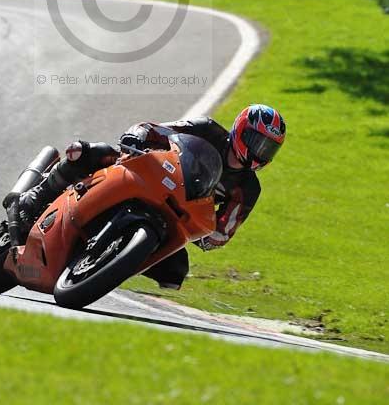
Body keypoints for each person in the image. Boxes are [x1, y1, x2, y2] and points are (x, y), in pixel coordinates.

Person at [15, 104, 286, 290]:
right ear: (240, 129)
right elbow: (156, 129)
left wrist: (211, 234)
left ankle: (103, 261)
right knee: (89, 152)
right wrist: (138, 137)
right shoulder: (206, 128)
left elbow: (226, 228)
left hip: (174, 214)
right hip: (150, 174)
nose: (258, 152)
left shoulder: (248, 188)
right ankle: (38, 195)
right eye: (255, 141)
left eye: (267, 149)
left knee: (175, 275)